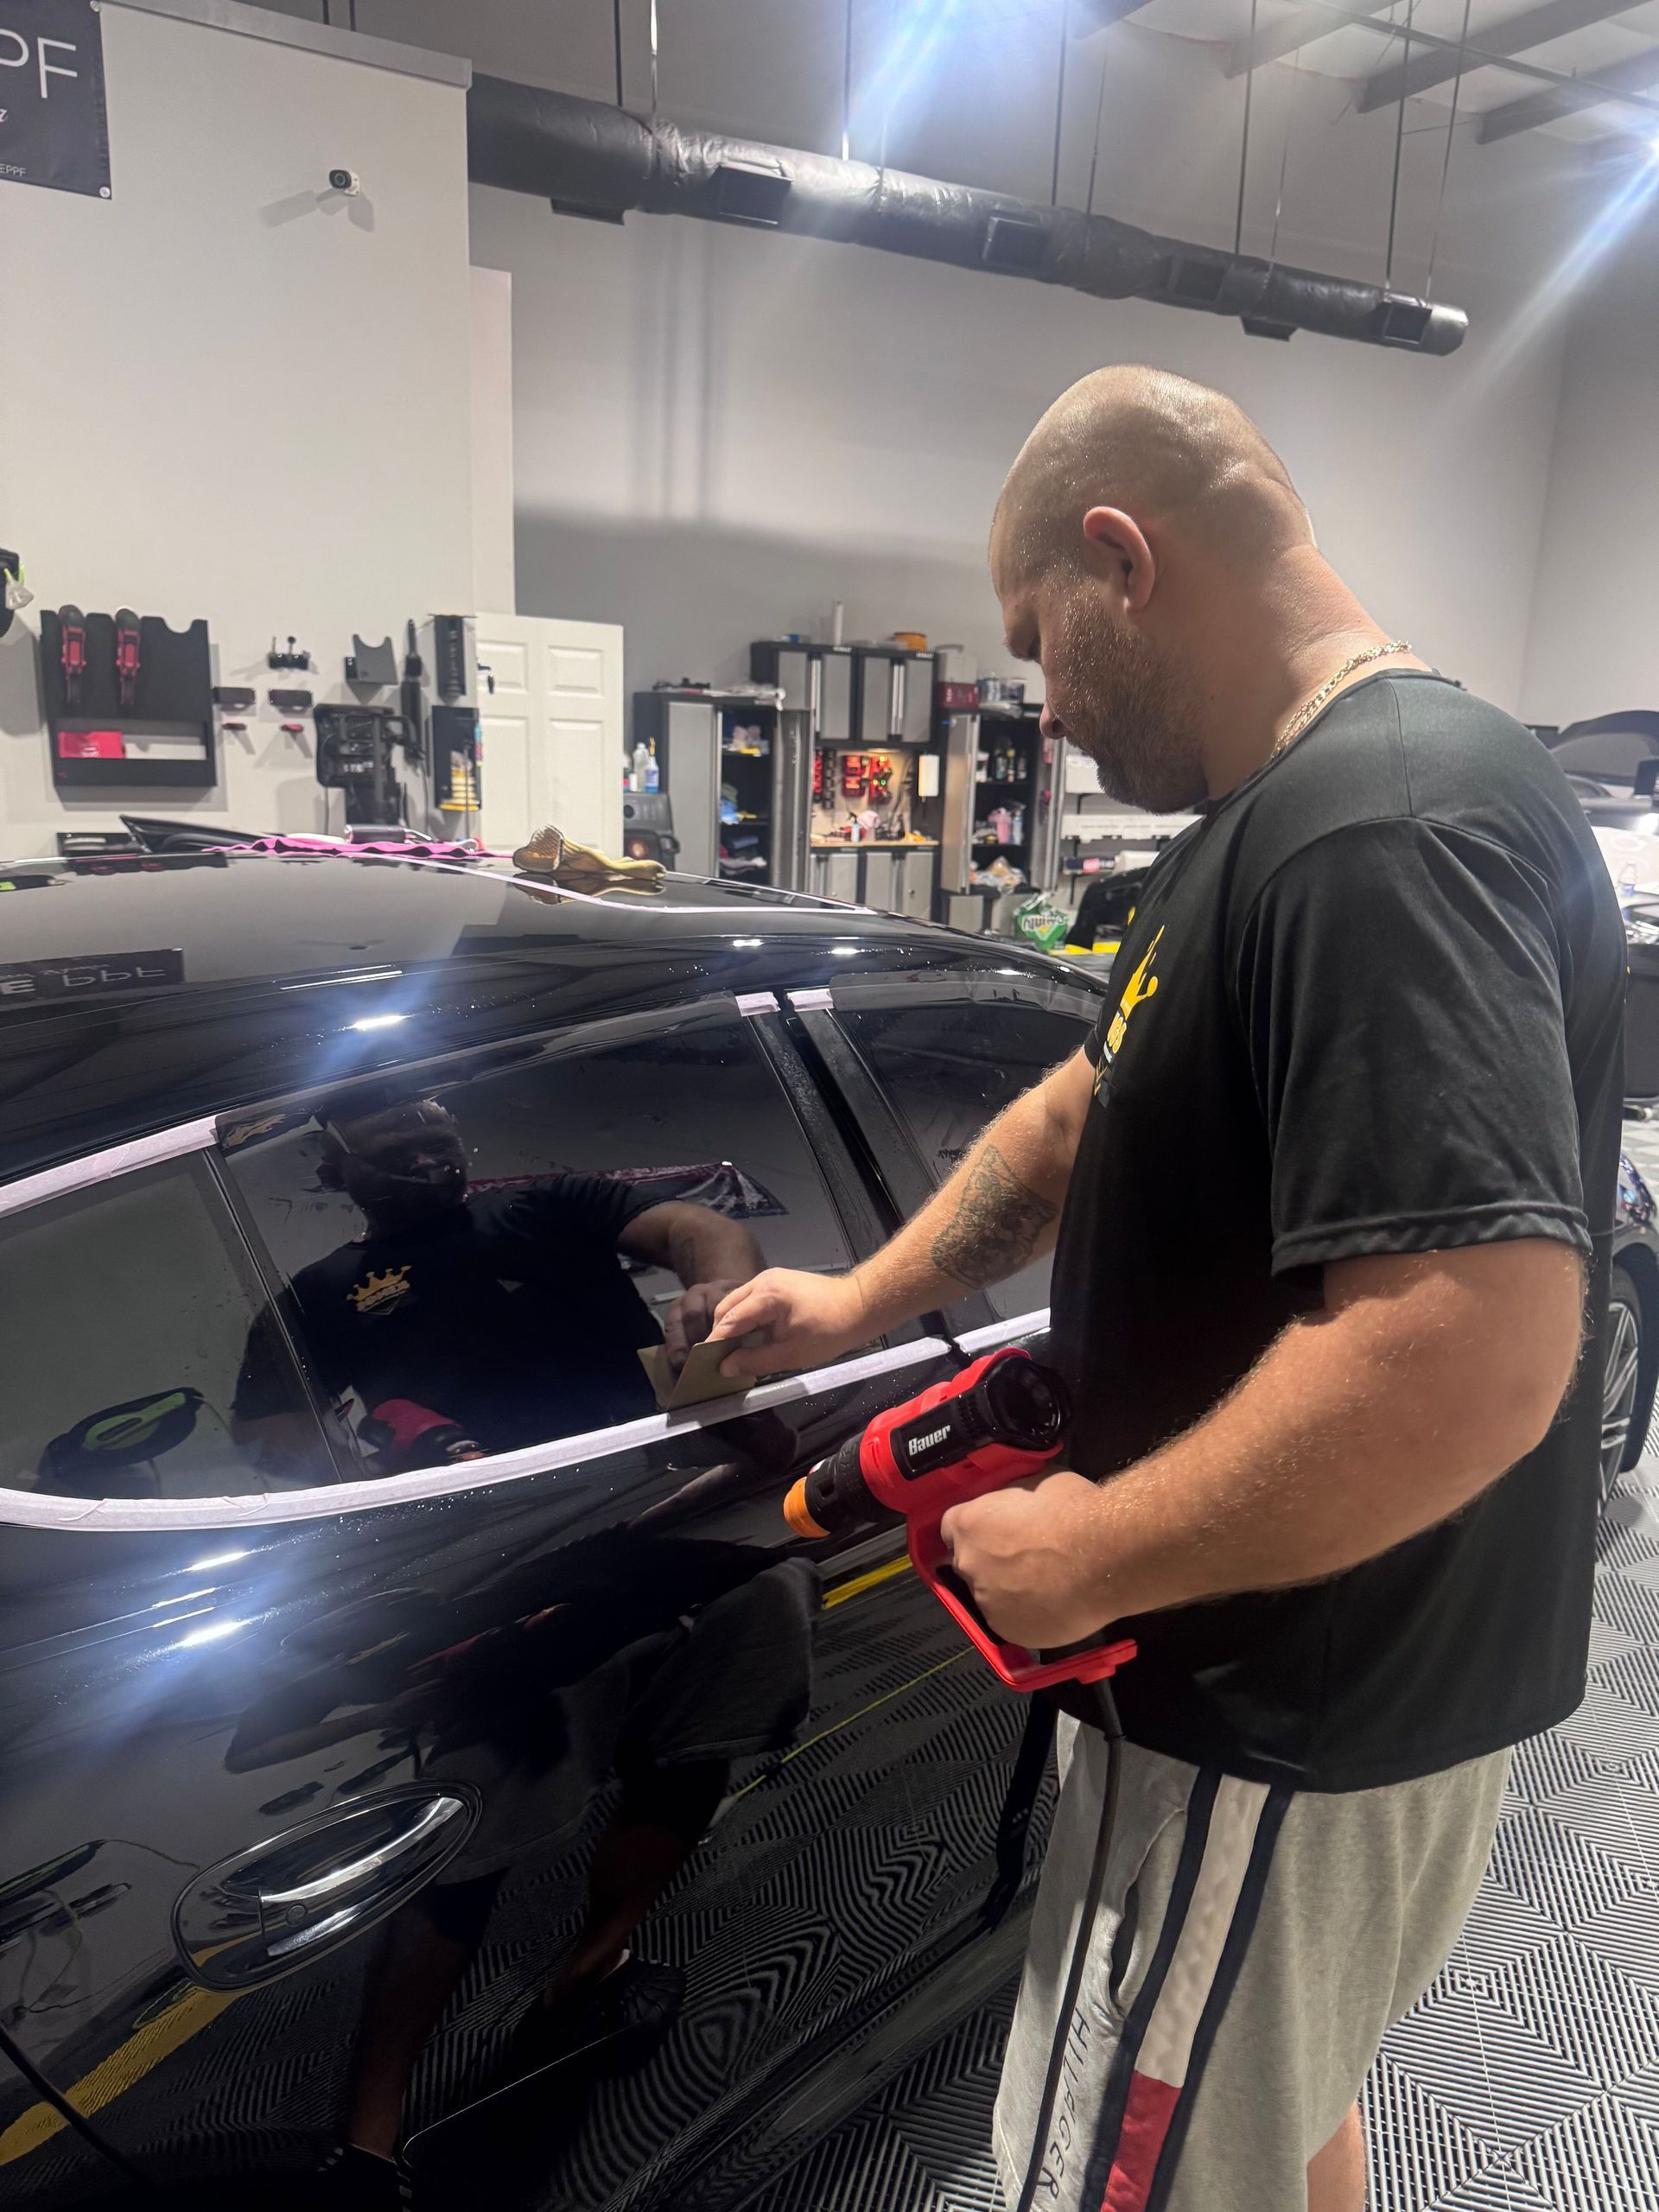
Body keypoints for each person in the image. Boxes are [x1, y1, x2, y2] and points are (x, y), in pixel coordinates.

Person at [709, 366, 1625, 2212]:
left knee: (1120, 2176)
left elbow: (1475, 1346)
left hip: (1280, 1703)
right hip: (1315, 1690)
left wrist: (1100, 1547)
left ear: (1124, 558)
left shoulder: (1379, 827)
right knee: (1277, 2113)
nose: (1042, 705)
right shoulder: (1285, 814)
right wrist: (859, 1299)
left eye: (1036, 640)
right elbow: (1085, 1107)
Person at [233, 1090, 764, 1465]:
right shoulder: (319, 1292)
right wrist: (364, 1473)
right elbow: (266, 1424)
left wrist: (722, 1291)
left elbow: (694, 1230)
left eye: (439, 1144)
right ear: (333, 1174)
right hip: (496, 1500)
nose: (425, 1161)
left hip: (662, 1451)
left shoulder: (550, 1204)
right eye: (393, 1154)